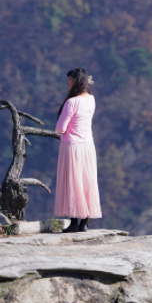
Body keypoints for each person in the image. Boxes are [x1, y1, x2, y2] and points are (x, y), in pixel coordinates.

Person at [54, 68, 101, 232]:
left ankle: (74, 223)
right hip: (88, 145)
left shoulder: (71, 102)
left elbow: (60, 128)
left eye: (69, 80)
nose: (67, 83)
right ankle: (84, 224)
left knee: (72, 182)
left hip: (72, 146)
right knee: (87, 181)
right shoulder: (91, 99)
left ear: (75, 82)